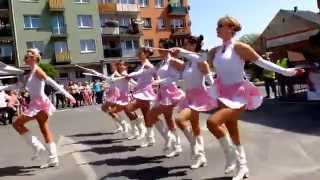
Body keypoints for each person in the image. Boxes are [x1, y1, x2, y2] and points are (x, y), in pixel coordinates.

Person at [206, 16, 301, 180]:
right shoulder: (214, 50)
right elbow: (201, 63)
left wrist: (287, 72)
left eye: (220, 25)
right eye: (217, 26)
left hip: (238, 93)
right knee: (232, 130)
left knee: (212, 122)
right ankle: (243, 167)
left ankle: (231, 157)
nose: (217, 28)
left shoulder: (239, 47)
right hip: (223, 93)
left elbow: (261, 62)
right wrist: (181, 53)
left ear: (230, 27)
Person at [0, 49, 75, 168]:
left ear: (35, 58)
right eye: (26, 55)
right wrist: (2, 87)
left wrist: (68, 95)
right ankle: (53, 158)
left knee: (17, 124)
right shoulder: (29, 73)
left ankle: (37, 147)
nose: (26, 57)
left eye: (29, 55)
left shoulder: (38, 70)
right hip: (36, 103)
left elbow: (51, 82)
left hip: (40, 104)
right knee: (44, 129)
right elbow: (19, 85)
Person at [170, 35, 217, 169]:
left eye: (187, 44)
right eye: (184, 44)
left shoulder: (200, 60)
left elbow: (210, 80)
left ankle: (196, 148)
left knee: (179, 120)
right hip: (189, 96)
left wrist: (217, 92)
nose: (185, 46)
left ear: (194, 45)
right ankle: (201, 157)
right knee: (195, 127)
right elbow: (179, 78)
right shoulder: (188, 63)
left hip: (199, 97)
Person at [142, 40, 185, 155]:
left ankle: (168, 138)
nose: (159, 49)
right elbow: (157, 74)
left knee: (151, 115)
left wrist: (177, 54)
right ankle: (177, 146)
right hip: (162, 92)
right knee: (168, 119)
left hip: (170, 92)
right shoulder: (162, 62)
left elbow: (179, 72)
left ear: (167, 48)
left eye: (161, 48)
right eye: (158, 47)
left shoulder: (171, 60)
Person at [125, 47, 158, 141]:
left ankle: (141, 128)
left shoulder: (147, 65)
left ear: (146, 54)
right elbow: (142, 79)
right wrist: (130, 79)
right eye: (138, 53)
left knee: (127, 108)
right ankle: (150, 138)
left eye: (140, 53)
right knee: (146, 115)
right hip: (143, 93)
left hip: (145, 93)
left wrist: (129, 75)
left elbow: (153, 75)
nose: (138, 54)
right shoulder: (144, 64)